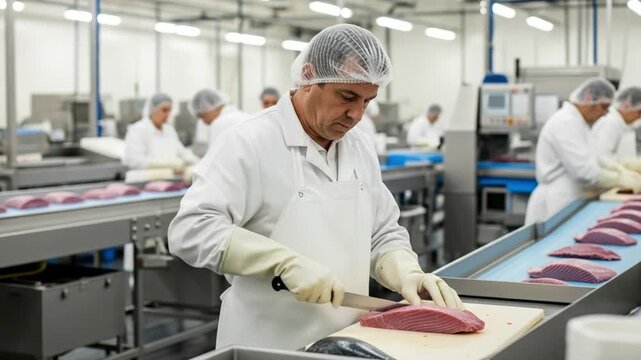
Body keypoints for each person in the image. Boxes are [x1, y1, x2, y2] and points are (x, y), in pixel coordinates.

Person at [168, 24, 463, 351]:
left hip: (346, 340)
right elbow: (191, 229)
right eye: (347, 96)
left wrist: (407, 273)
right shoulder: (249, 142)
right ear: (308, 77)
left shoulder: (359, 145)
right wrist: (281, 262)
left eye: (367, 101)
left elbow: (381, 232)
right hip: (265, 344)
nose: (356, 115)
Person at [525, 78, 641, 225]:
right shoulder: (565, 122)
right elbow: (585, 172)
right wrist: (621, 179)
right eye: (603, 107)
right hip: (557, 200)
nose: (606, 114)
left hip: (570, 197)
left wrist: (619, 168)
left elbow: (594, 157)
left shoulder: (579, 123)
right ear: (588, 98)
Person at [123, 92, 199, 170]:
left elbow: (182, 152)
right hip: (146, 178)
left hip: (170, 177)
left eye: (169, 111)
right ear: (153, 109)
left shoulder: (169, 130)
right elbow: (134, 161)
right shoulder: (138, 129)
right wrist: (163, 164)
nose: (167, 114)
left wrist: (198, 162)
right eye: (164, 110)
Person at [592, 86, 641, 171]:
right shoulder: (611, 122)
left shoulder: (623, 124)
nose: (639, 117)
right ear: (627, 105)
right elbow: (601, 157)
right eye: (639, 112)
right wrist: (625, 165)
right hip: (610, 178)